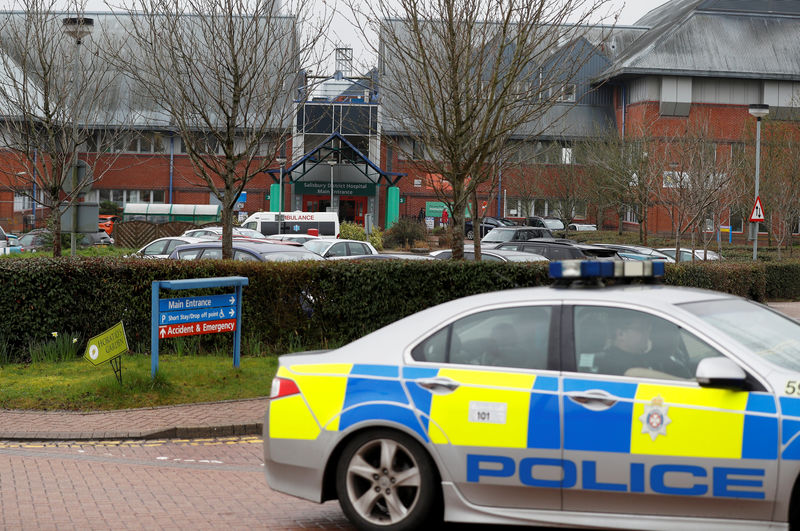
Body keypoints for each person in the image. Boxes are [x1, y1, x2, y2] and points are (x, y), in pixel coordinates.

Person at [597, 313, 691, 379]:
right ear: (621, 334)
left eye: (648, 329)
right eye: (642, 329)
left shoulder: (644, 357)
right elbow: (632, 373)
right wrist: (683, 382)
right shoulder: (611, 358)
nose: (648, 334)